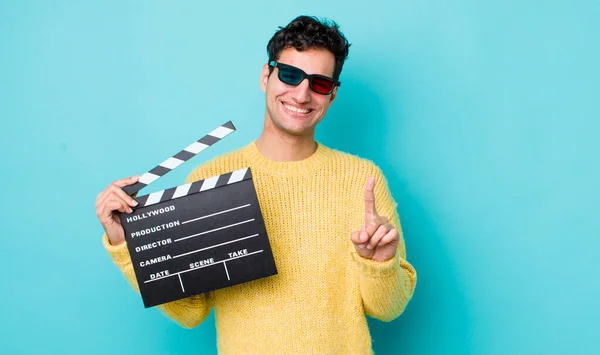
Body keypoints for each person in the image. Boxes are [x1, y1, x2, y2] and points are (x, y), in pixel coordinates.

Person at [96, 15, 417, 354]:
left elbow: (388, 309)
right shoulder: (209, 180)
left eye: (319, 84)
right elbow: (190, 311)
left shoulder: (361, 180)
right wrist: (125, 244)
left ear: (332, 95)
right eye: (291, 75)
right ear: (267, 76)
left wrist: (381, 262)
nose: (302, 93)